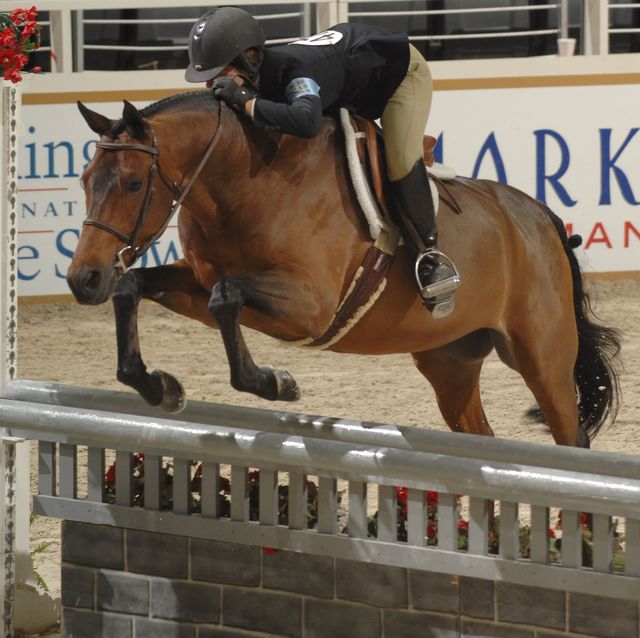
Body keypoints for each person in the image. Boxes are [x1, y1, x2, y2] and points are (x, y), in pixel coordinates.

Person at [185, 7, 459, 317]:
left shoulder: (296, 70)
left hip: (400, 73)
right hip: (348, 75)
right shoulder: (255, 75)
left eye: (217, 75)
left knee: (399, 157)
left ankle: (431, 258)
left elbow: (306, 121)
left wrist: (247, 102)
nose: (211, 87)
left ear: (249, 57)